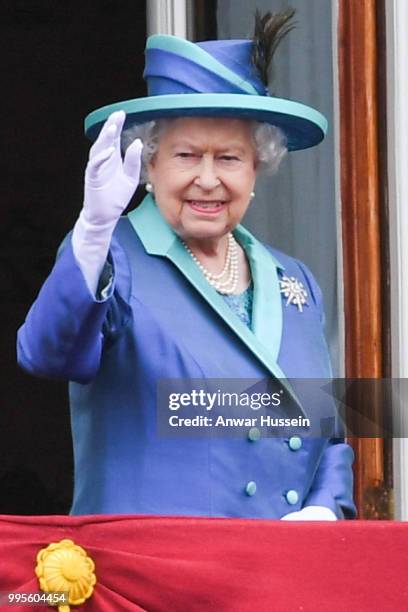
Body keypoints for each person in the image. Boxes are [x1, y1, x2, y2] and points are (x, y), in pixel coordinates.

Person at [17, 12, 355, 519]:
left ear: (257, 169)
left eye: (229, 158)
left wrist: (325, 509)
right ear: (149, 162)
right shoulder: (112, 258)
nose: (207, 179)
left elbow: (327, 434)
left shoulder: (294, 280)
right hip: (151, 577)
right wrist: (91, 231)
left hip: (274, 577)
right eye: (186, 155)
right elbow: (46, 353)